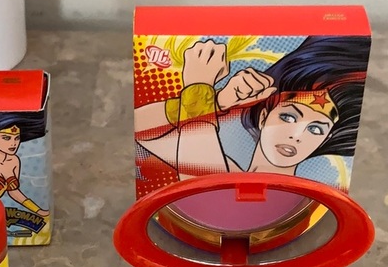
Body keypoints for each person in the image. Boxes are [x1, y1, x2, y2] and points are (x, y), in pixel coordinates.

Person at [134, 35, 370, 188]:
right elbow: (143, 132)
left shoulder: (295, 198)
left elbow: (207, 191)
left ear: (326, 139)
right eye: (288, 117)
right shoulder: (228, 170)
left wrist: (199, 86)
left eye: (316, 129)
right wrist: (219, 101)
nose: (296, 135)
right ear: (264, 116)